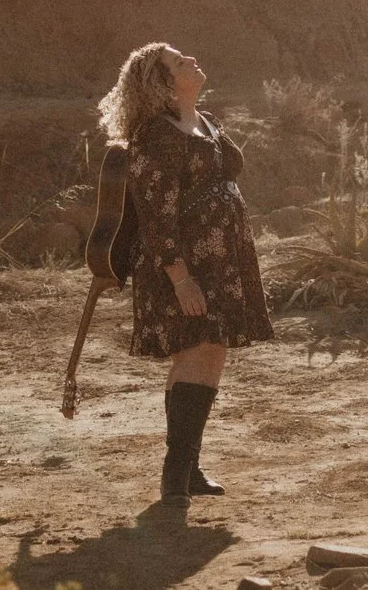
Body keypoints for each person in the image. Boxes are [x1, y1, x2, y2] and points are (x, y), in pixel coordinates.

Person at [96, 41, 273, 503]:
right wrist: (180, 277)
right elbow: (156, 216)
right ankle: (176, 475)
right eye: (178, 62)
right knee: (198, 350)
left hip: (220, 262)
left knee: (207, 353)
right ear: (163, 83)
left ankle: (187, 469)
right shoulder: (156, 136)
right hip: (184, 264)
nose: (192, 59)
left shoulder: (203, 122)